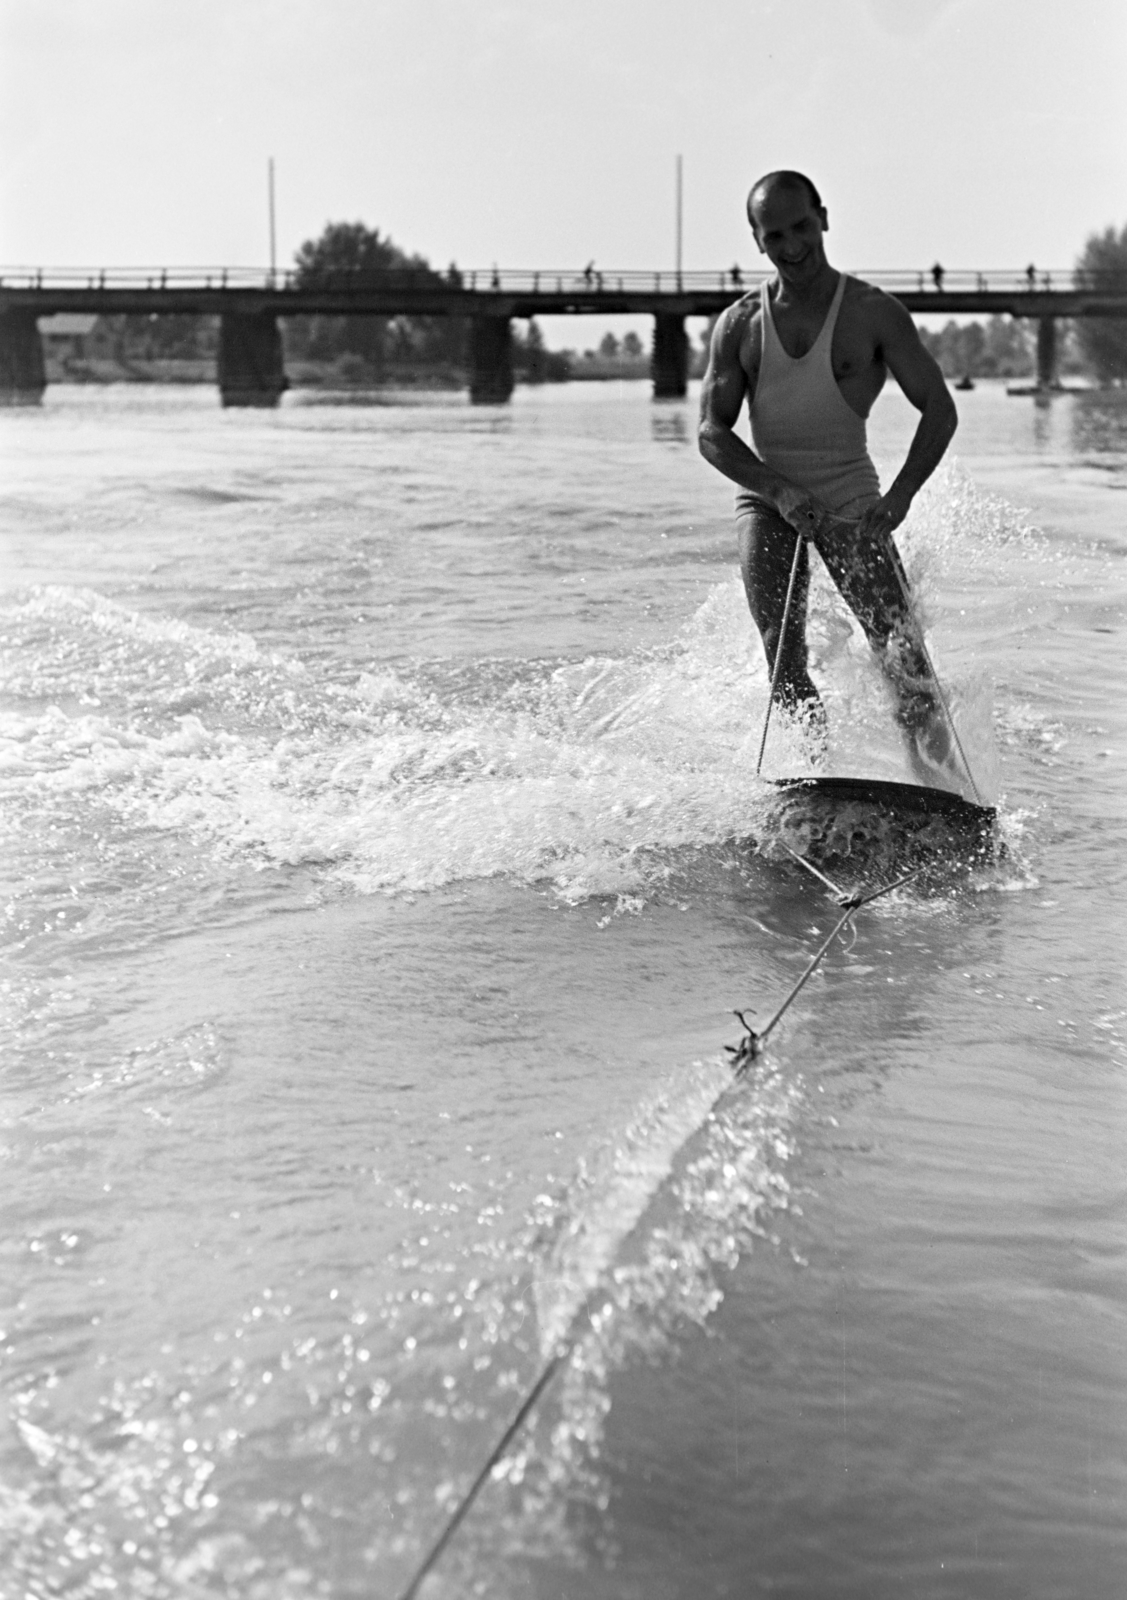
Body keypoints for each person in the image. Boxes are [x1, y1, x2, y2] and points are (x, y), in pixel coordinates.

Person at [698, 170, 960, 785]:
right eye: (775, 235)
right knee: (783, 658)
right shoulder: (739, 325)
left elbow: (940, 409)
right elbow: (712, 432)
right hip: (768, 501)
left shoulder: (873, 313)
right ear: (757, 241)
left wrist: (899, 497)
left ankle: (947, 792)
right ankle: (814, 788)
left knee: (905, 663)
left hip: (851, 499)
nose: (792, 246)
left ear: (823, 218)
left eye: (801, 227)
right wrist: (780, 491)